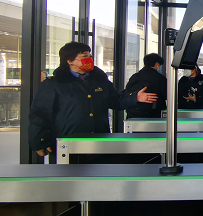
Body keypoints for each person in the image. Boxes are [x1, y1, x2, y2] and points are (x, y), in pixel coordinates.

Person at [28, 42, 157, 160]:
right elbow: (40, 114)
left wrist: (135, 97)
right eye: (84, 56)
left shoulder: (100, 80)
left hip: (99, 143)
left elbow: (116, 100)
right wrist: (39, 141)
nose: (89, 59)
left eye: (90, 56)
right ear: (70, 61)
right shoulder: (54, 84)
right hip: (68, 145)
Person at [124, 53, 167, 119]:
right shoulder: (160, 78)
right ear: (157, 64)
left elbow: (127, 92)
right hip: (154, 116)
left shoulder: (134, 77)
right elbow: (166, 95)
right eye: (160, 65)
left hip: (134, 116)